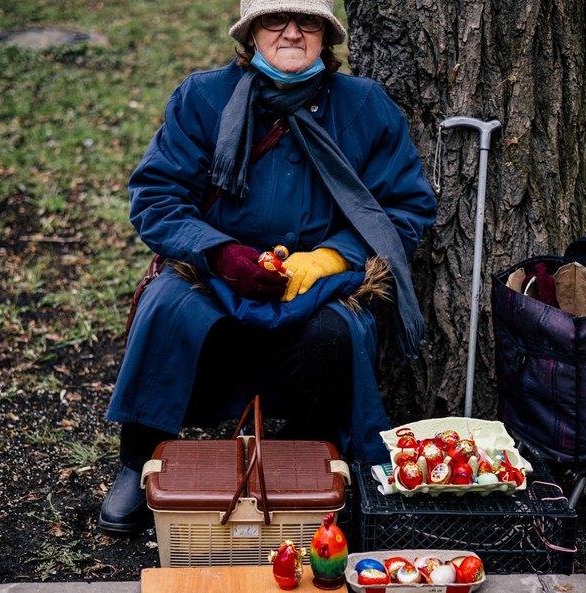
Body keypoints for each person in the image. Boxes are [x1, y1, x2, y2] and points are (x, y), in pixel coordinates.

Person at [99, 0, 436, 534]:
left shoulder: (366, 106)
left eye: (309, 22)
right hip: (212, 272)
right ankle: (140, 459)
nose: (292, 32)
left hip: (322, 280)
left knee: (333, 335)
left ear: (327, 36)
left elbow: (406, 207)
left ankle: (315, 464)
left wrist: (331, 256)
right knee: (167, 309)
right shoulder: (203, 97)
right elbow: (157, 197)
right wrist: (219, 253)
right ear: (252, 31)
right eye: (276, 19)